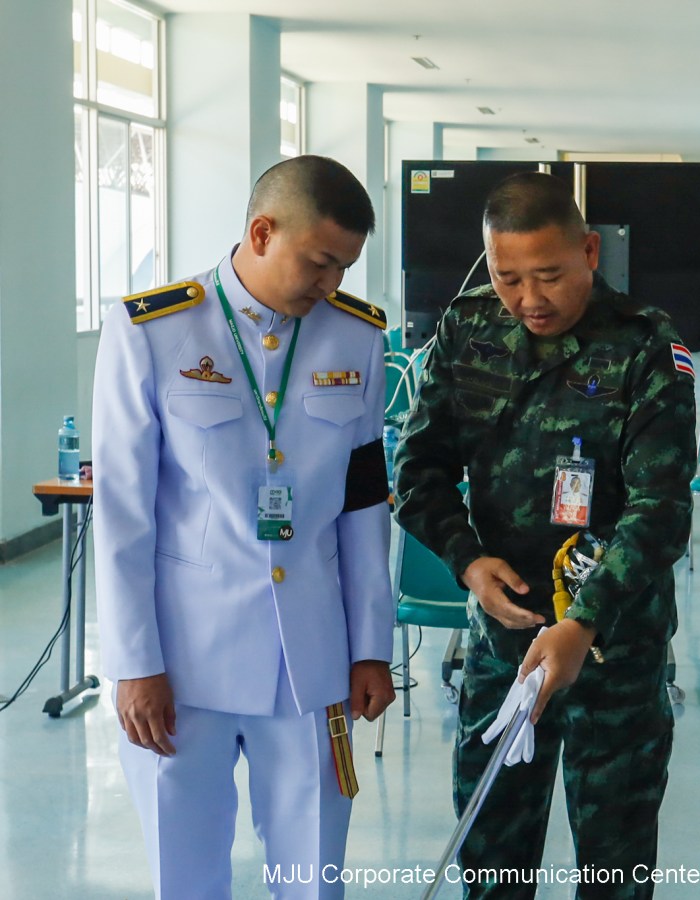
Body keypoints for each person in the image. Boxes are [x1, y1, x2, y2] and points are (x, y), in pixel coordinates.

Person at [94, 155, 396, 899]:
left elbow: (363, 507)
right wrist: (135, 663)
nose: (332, 285)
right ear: (262, 232)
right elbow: (125, 515)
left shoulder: (354, 340)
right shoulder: (154, 330)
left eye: (345, 268)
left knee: (311, 872)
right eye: (320, 263)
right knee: (185, 868)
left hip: (312, 660)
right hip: (182, 664)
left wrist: (371, 650)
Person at [394, 172, 696, 898]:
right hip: (505, 641)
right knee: (493, 852)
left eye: (550, 275)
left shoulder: (643, 347)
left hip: (613, 648)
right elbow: (417, 472)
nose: (529, 299)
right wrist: (468, 564)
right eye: (507, 278)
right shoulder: (467, 330)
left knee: (614, 860)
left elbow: (660, 508)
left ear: (591, 251)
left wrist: (585, 619)